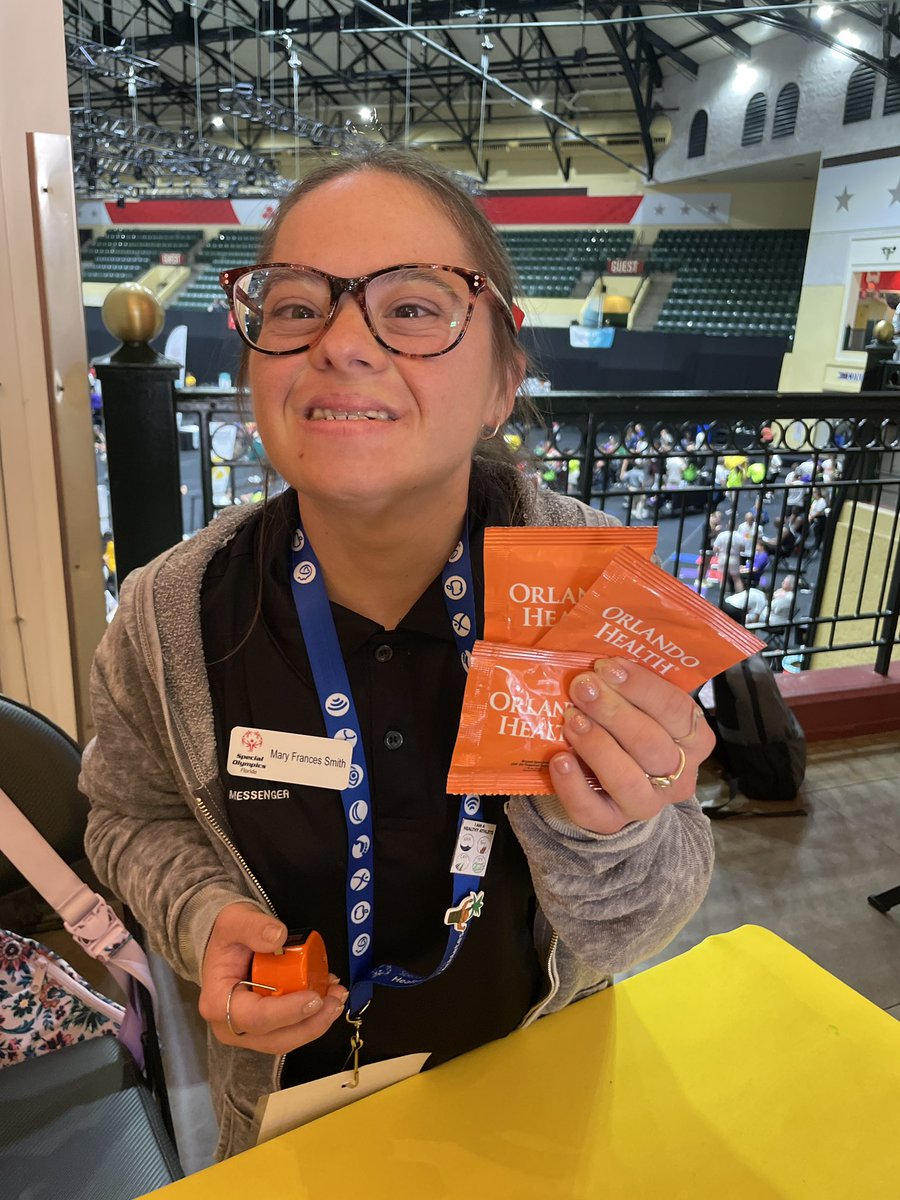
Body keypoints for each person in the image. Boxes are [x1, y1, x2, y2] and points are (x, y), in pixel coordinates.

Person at [79, 146, 715, 1161]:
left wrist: (610, 836)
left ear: (506, 379)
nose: (341, 343)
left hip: (541, 1094)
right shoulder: (168, 616)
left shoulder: (593, 598)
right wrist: (204, 919)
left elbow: (638, 924)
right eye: (295, 306)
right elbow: (126, 816)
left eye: (413, 307)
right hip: (291, 1127)